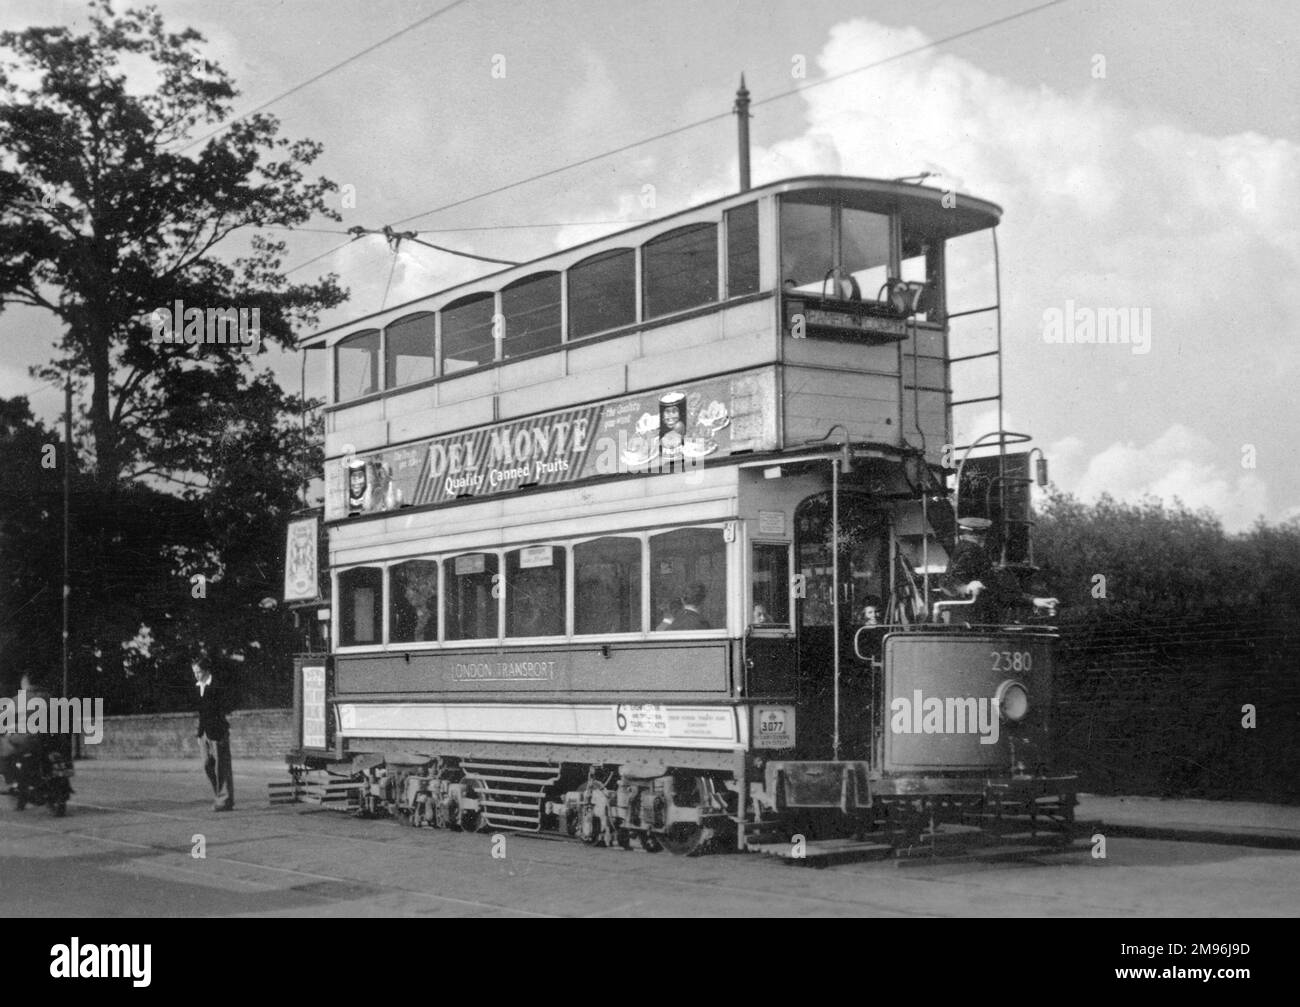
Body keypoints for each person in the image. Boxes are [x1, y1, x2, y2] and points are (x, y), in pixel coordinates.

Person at [193, 654, 235, 812]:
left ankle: (224, 800)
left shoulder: (217, 685)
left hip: (218, 732)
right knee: (207, 765)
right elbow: (201, 713)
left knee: (221, 768)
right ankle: (220, 796)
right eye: (194, 672)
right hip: (204, 733)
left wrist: (222, 730)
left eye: (198, 672)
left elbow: (226, 707)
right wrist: (199, 734)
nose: (196, 675)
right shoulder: (198, 687)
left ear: (206, 670)